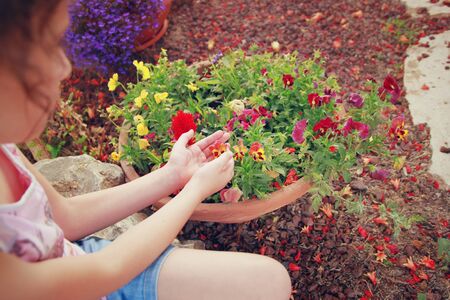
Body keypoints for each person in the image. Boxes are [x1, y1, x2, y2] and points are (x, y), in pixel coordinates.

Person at [0, 1, 292, 299]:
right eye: (45, 49)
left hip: (82, 265)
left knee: (270, 281)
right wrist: (194, 191)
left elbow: (66, 219)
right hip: (91, 279)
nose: (64, 68)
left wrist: (172, 175)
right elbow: (106, 271)